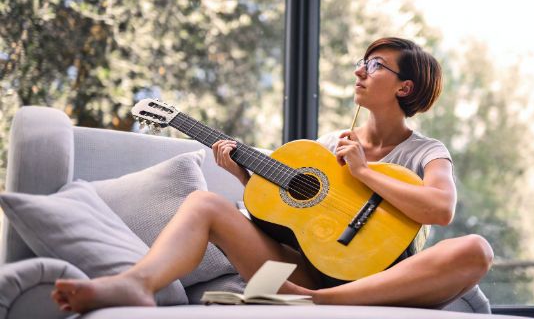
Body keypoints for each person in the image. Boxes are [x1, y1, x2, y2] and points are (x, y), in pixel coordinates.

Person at [51, 37, 493, 312]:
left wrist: (365, 172)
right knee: (205, 202)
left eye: (376, 65)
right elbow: (300, 227)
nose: (360, 69)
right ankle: (134, 284)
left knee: (476, 250)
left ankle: (320, 304)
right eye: (362, 61)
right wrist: (246, 180)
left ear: (405, 87)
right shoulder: (325, 146)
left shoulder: (427, 151)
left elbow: (440, 209)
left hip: (384, 275)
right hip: (309, 269)